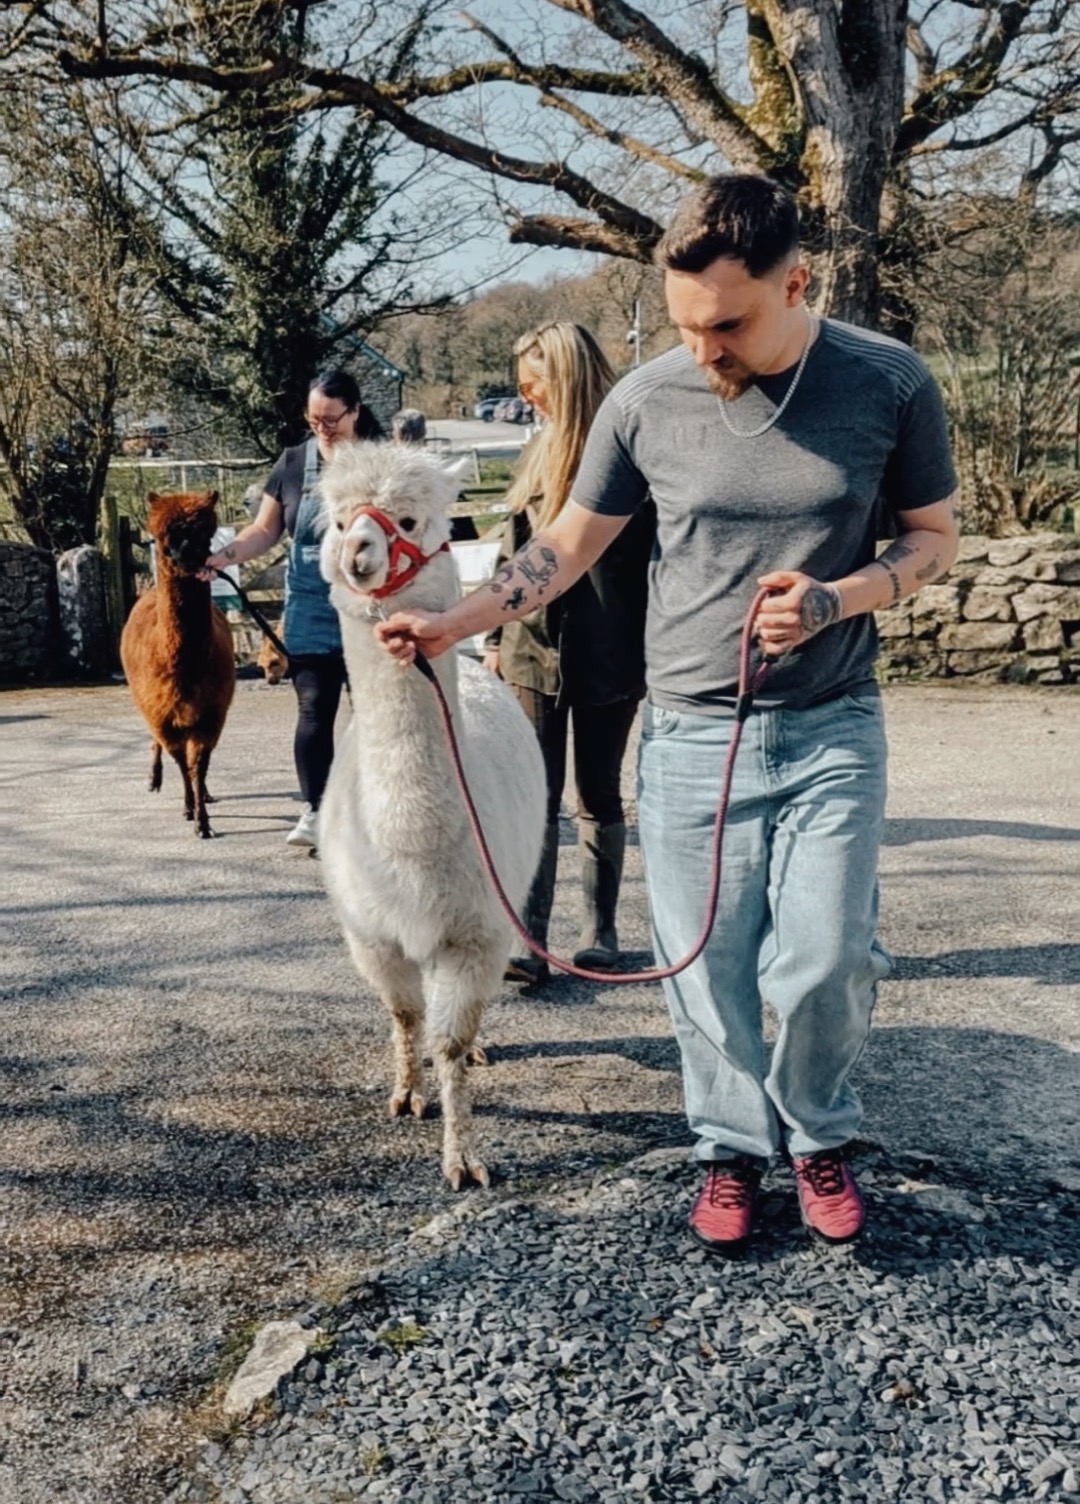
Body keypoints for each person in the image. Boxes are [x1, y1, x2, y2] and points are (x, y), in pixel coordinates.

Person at [375, 175, 959, 1253]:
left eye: (729, 324)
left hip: (833, 722)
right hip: (691, 730)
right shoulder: (645, 401)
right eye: (688, 325)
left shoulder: (889, 382)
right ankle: (731, 1147)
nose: (707, 349)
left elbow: (931, 537)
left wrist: (841, 597)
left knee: (828, 955)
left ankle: (817, 1131)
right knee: (706, 962)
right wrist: (455, 623)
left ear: (799, 282)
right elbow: (563, 547)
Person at [484, 323, 653, 984]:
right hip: (532, 652)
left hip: (611, 648)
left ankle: (599, 930)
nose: (530, 401)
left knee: (598, 789)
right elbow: (511, 552)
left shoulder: (630, 447)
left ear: (566, 378)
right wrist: (496, 637)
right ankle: (529, 940)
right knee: (535, 792)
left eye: (536, 388)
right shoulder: (536, 452)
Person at [205, 369, 383, 851]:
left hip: (373, 608)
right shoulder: (291, 462)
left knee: (376, 715)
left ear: (355, 412)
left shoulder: (383, 461)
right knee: (313, 711)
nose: (321, 428)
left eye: (331, 419)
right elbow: (265, 530)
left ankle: (378, 811)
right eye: (313, 419)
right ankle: (317, 811)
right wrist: (225, 557)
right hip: (312, 609)